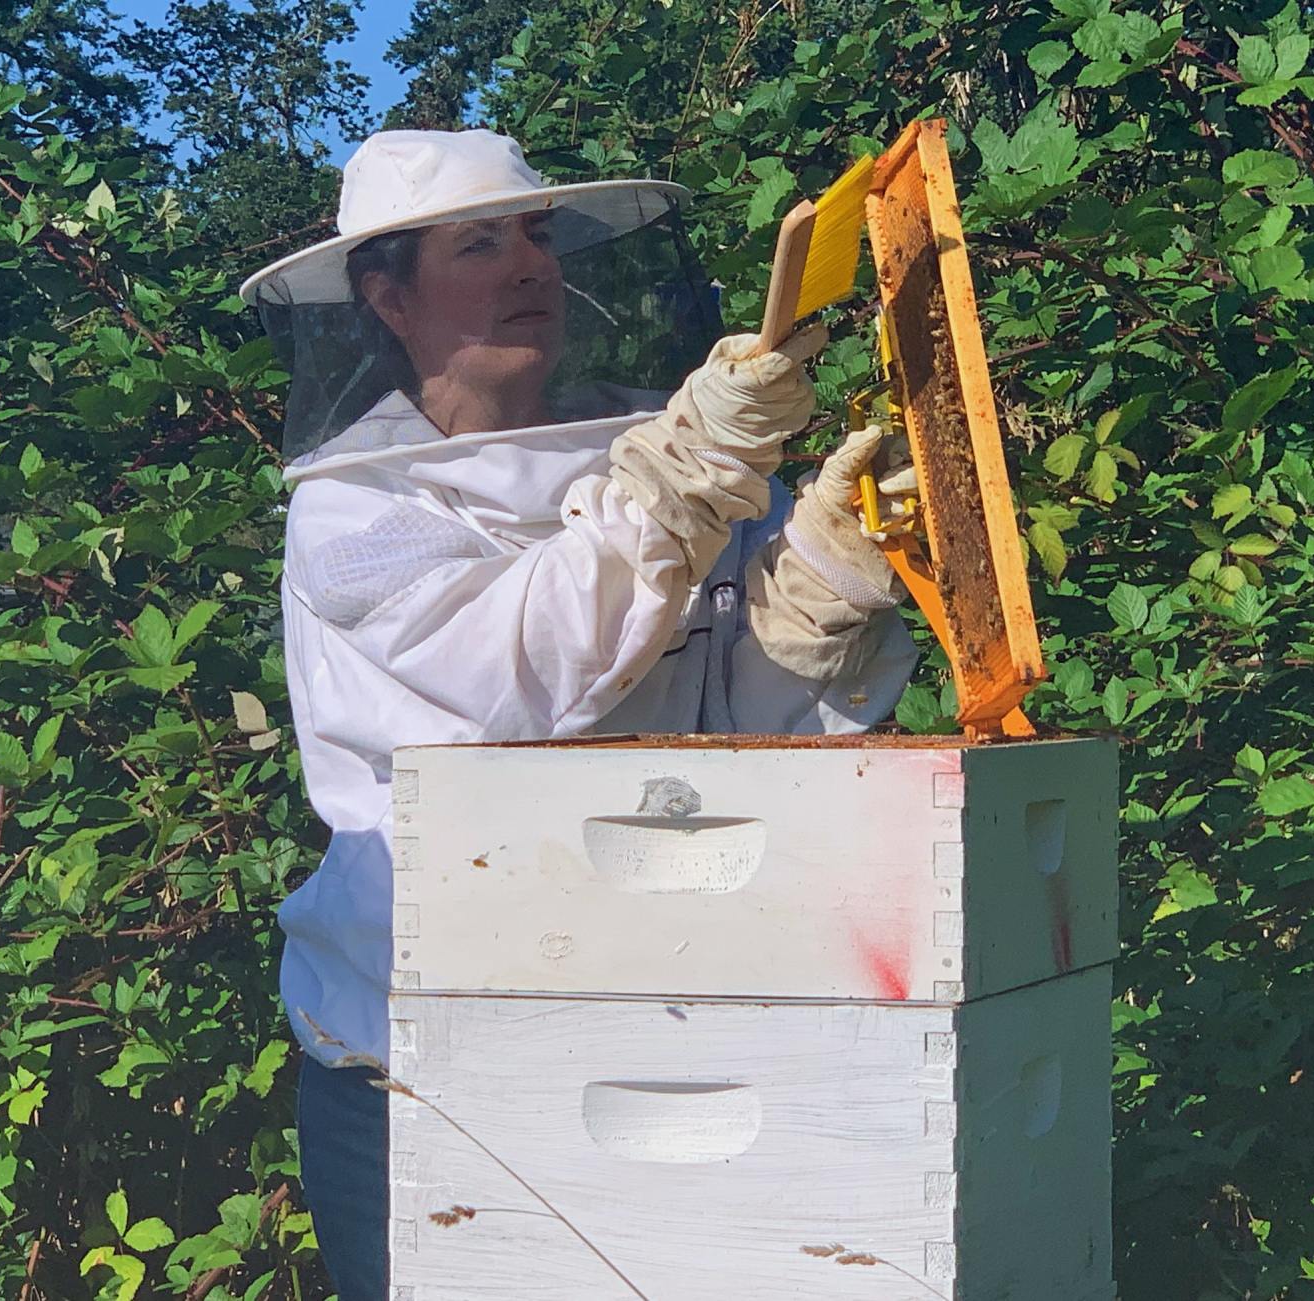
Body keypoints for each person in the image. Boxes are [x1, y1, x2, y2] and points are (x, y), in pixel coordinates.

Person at [239, 128, 919, 1301]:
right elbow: (537, 673)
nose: (530, 269)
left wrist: (818, 579)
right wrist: (695, 465)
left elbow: (722, 727)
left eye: (540, 237)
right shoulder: (358, 514)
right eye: (480, 244)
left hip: (655, 1001)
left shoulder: (648, 446)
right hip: (411, 1049)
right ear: (386, 296)